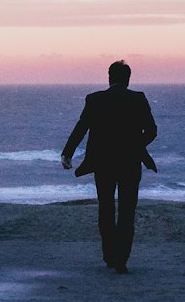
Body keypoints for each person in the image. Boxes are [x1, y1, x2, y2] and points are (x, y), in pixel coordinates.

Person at [61, 61, 157, 273]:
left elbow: (81, 128)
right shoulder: (138, 99)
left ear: (109, 77)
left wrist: (67, 153)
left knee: (106, 208)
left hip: (103, 164)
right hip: (130, 163)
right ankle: (122, 259)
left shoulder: (95, 100)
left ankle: (109, 255)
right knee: (127, 210)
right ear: (128, 78)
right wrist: (135, 146)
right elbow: (151, 131)